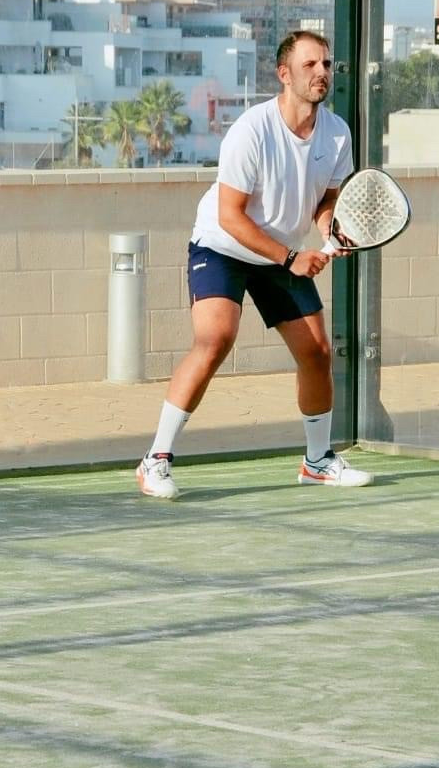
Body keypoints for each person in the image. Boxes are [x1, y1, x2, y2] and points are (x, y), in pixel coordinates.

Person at [136, 30, 371, 500]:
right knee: (215, 340)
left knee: (317, 352)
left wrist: (330, 229)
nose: (322, 72)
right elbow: (230, 215)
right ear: (284, 74)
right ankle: (155, 460)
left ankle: (317, 462)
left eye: (326, 64)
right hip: (223, 245)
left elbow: (326, 199)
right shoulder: (252, 130)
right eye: (310, 65)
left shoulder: (337, 133)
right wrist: (291, 258)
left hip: (281, 251)